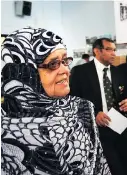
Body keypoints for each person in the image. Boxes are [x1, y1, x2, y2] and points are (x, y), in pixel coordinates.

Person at [1, 27, 110, 174]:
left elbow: (100, 166)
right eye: (53, 64)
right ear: (24, 72)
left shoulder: (81, 109)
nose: (66, 70)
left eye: (65, 61)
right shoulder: (5, 125)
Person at [70, 38, 127, 175]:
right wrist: (93, 113)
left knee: (123, 166)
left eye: (114, 50)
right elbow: (73, 100)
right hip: (96, 130)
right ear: (97, 51)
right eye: (109, 49)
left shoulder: (118, 72)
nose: (114, 53)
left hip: (120, 128)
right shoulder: (80, 72)